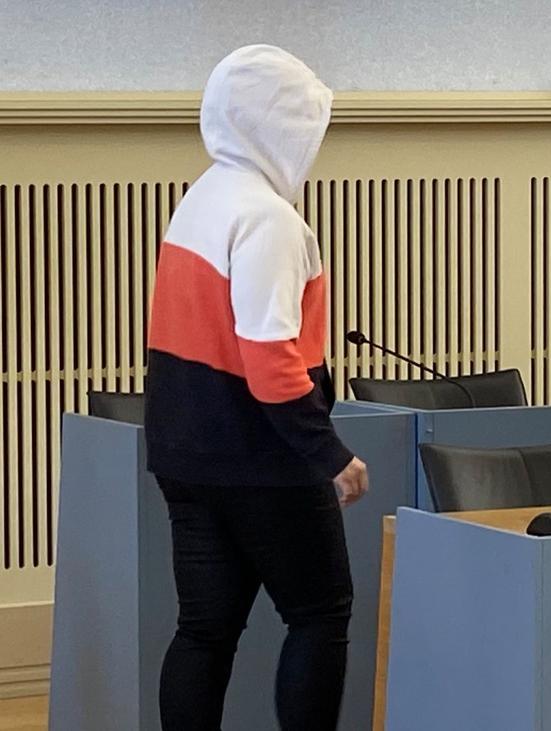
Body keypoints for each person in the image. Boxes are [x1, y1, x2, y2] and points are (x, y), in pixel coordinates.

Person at [143, 45, 367, 730]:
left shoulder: (200, 199)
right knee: (320, 613)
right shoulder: (269, 219)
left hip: (185, 454)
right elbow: (270, 361)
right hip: (262, 458)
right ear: (278, 128)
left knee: (204, 629)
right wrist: (330, 454)